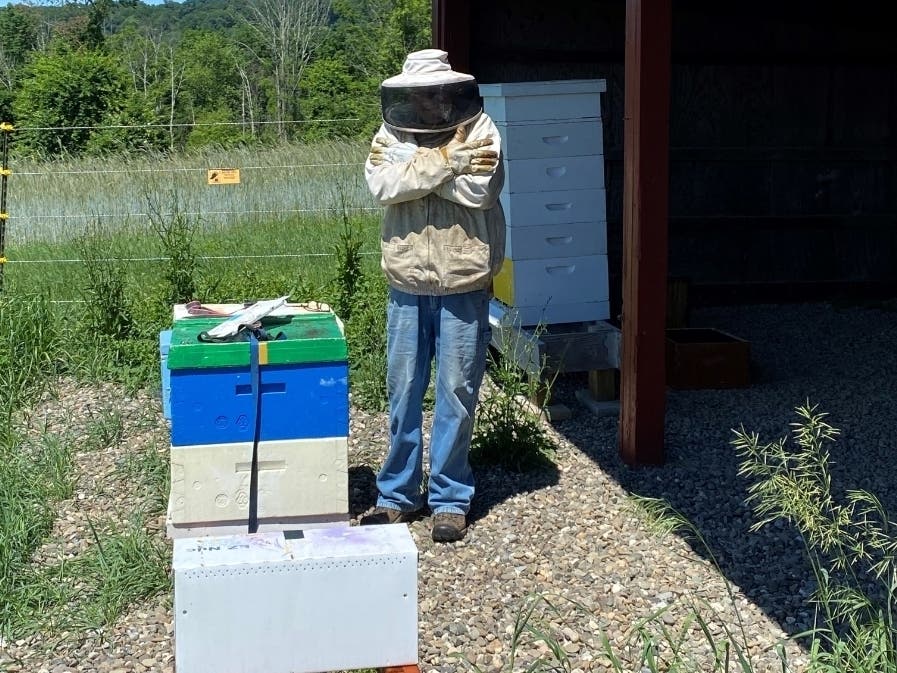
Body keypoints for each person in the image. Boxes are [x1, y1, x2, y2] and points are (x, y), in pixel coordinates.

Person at [361, 49, 505, 542]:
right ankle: (396, 495)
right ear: (406, 96)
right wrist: (448, 162)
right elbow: (382, 187)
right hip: (406, 278)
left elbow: (479, 191)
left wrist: (417, 171)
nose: (428, 102)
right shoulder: (389, 134)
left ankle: (449, 498)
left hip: (463, 277)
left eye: (435, 93)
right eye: (419, 94)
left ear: (450, 92)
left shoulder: (482, 129)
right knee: (402, 391)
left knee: (456, 391)